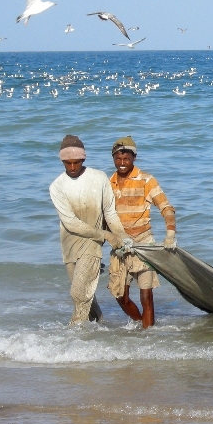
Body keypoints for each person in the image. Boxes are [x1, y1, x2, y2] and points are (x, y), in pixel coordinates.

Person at [49, 134, 130, 326]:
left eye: (76, 162)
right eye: (67, 163)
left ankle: (74, 333)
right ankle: (100, 326)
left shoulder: (98, 178)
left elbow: (109, 213)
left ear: (83, 159)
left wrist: (121, 236)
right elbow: (71, 223)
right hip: (69, 245)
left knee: (78, 293)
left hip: (92, 244)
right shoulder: (57, 186)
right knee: (85, 294)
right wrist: (107, 235)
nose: (72, 167)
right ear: (62, 161)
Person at [107, 136, 177, 329]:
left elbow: (166, 208)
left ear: (134, 158)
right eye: (118, 159)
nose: (122, 163)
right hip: (120, 247)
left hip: (144, 244)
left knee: (146, 295)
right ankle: (140, 325)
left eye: (126, 159)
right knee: (120, 295)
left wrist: (170, 233)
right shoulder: (108, 183)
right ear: (113, 158)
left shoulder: (147, 180)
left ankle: (149, 334)